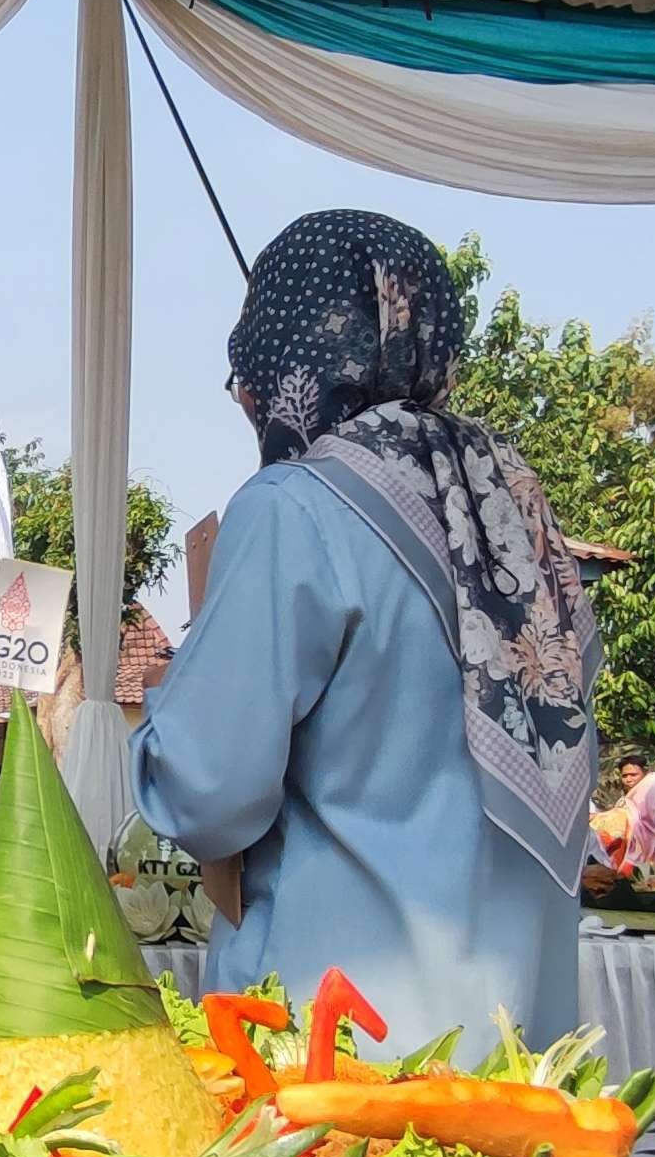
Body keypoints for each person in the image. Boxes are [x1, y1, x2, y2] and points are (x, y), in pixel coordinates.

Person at [130, 210, 597, 1042]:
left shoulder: (295, 508)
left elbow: (207, 794)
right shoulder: (510, 506)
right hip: (519, 1043)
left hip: (338, 1043)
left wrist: (165, 710)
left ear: (284, 358)